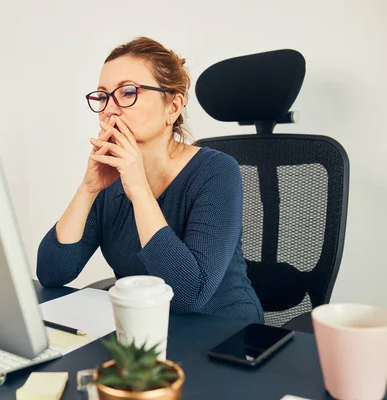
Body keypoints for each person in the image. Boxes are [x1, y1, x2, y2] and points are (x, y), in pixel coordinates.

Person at [36, 37, 264, 323]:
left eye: (128, 92)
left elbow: (188, 295)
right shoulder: (109, 180)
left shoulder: (217, 171)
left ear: (173, 107)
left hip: (223, 335)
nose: (110, 109)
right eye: (103, 96)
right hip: (145, 332)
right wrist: (88, 189)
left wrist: (138, 189)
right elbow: (52, 274)